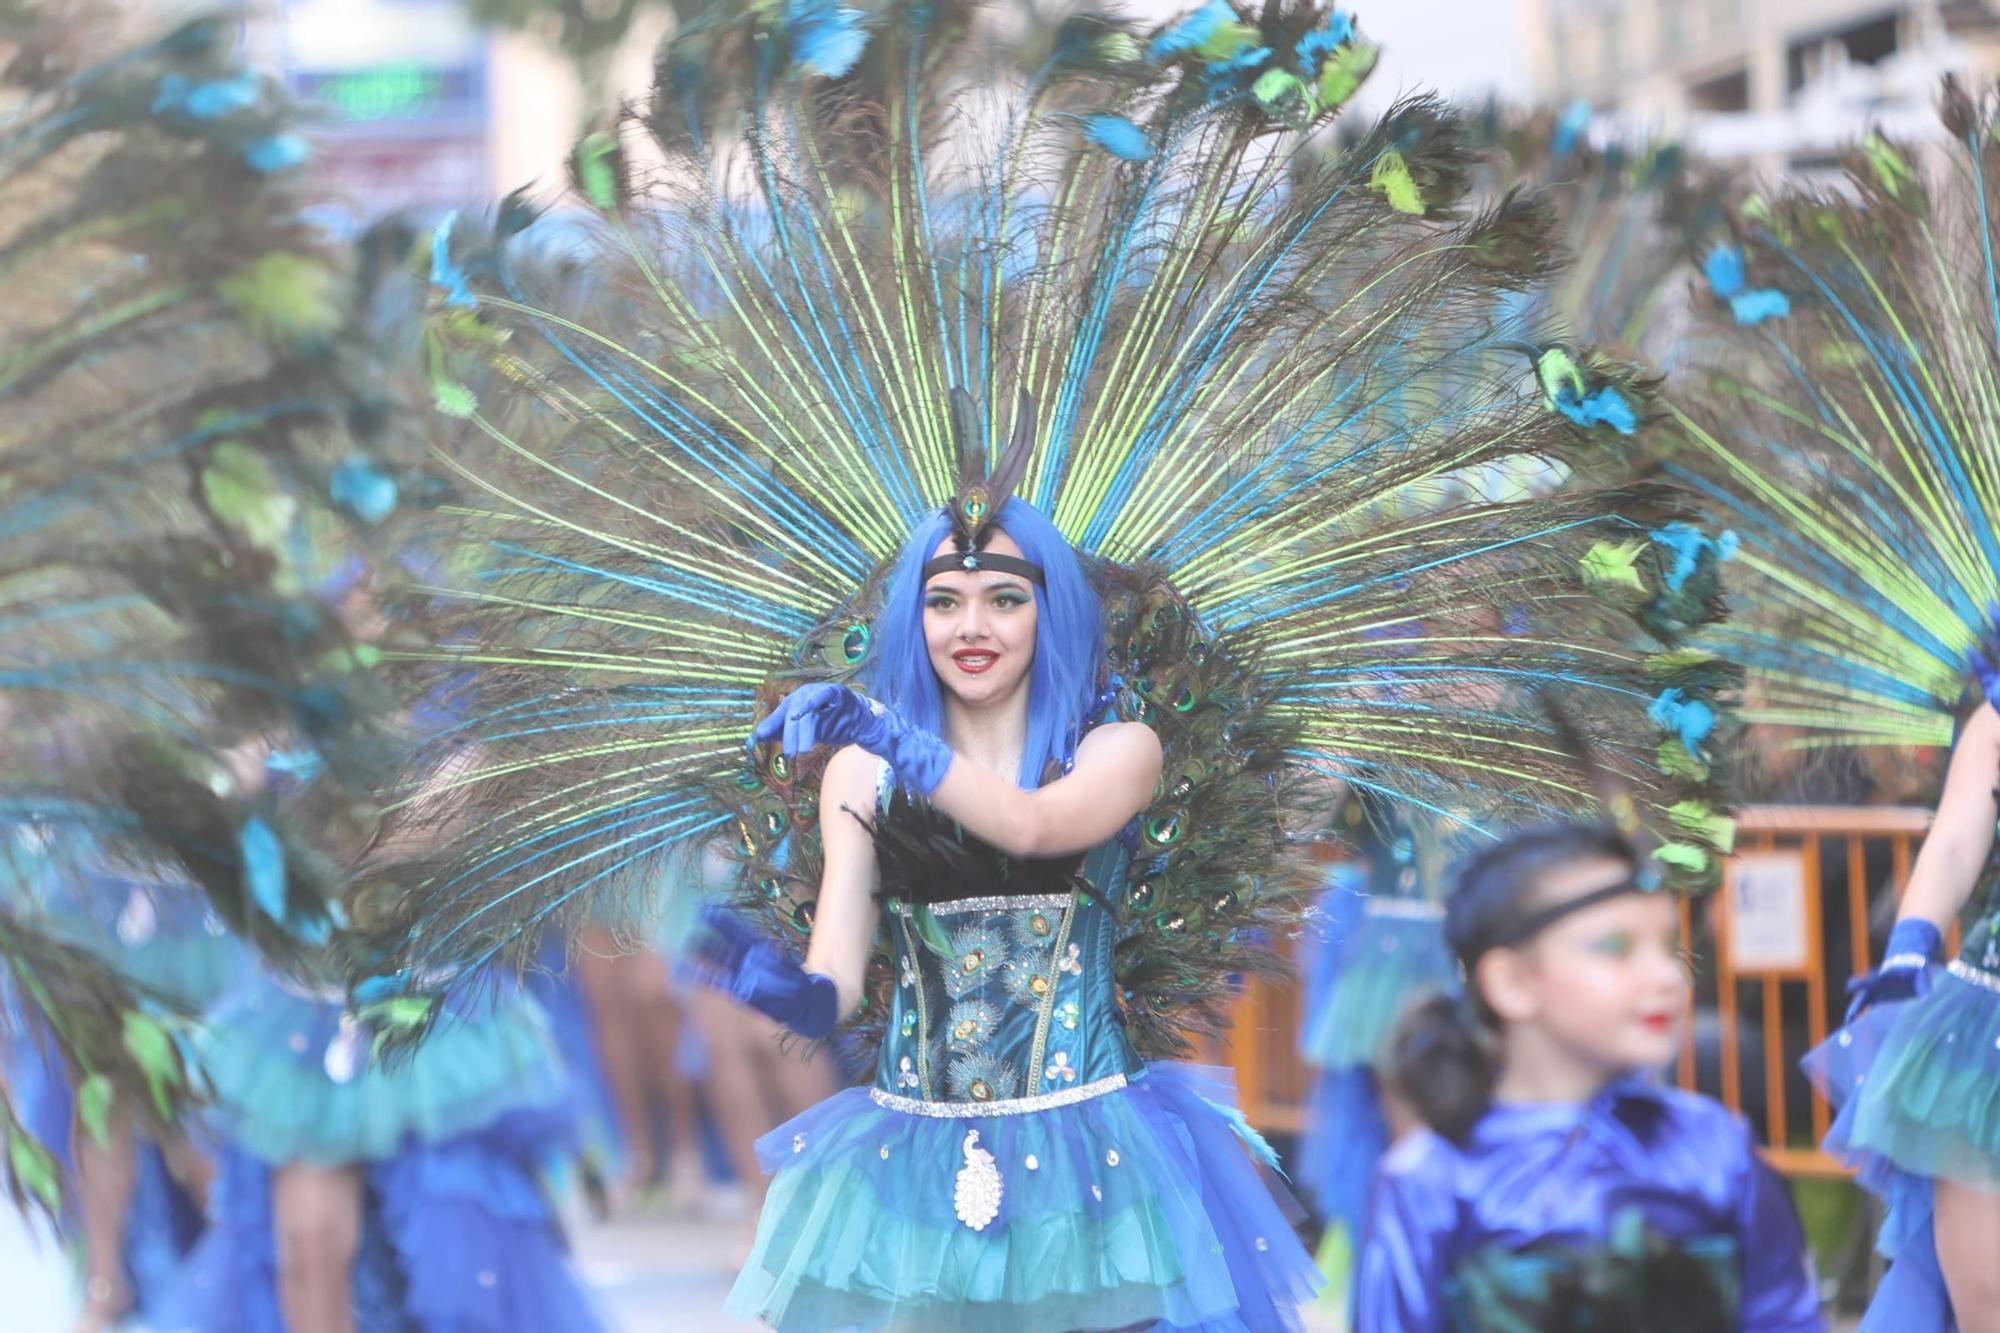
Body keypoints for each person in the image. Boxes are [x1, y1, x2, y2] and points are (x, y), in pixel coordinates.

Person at [1356, 821, 1824, 1332]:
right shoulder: (1435, 1180)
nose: (1668, 976)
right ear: (1512, 982)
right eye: (1615, 947)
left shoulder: (1716, 1149)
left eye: (1667, 946)